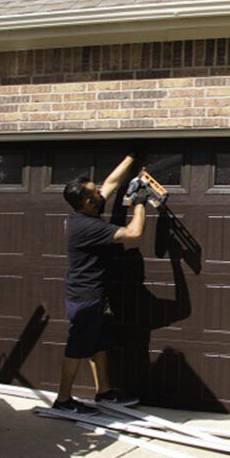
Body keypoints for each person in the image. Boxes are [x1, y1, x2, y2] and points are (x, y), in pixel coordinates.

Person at [53, 153, 149, 414]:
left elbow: (110, 183)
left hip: (95, 294)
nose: (99, 190)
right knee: (77, 349)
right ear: (87, 201)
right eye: (93, 191)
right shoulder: (85, 226)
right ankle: (63, 401)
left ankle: (104, 393)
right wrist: (139, 202)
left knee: (99, 344)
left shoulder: (87, 209)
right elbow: (133, 233)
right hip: (86, 298)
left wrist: (132, 156)